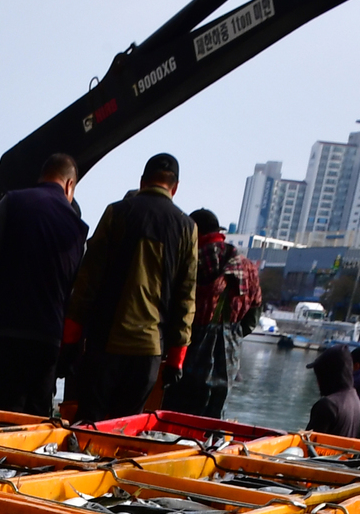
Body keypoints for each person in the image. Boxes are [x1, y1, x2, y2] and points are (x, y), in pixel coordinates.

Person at [62, 152, 198, 423]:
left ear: (142, 181)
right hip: (149, 350)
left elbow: (88, 280)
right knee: (125, 427)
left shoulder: (117, 213)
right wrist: (176, 358)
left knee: (90, 425)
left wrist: (70, 338)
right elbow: (187, 297)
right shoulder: (187, 227)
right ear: (175, 186)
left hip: (105, 344)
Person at [0, 154, 87, 417]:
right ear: (69, 185)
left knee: (3, 412)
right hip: (47, 338)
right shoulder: (77, 226)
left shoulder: (12, 202)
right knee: (36, 418)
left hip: (5, 332)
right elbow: (76, 292)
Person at [163, 211, 262, 419]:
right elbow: (253, 315)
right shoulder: (248, 266)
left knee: (179, 414)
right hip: (230, 351)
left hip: (191, 348)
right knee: (215, 416)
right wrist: (232, 334)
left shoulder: (192, 259)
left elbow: (175, 307)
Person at [307, 345, 360, 436]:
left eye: (319, 375)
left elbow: (308, 443)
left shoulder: (328, 405)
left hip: (323, 450)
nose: (317, 382)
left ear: (328, 374)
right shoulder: (355, 398)